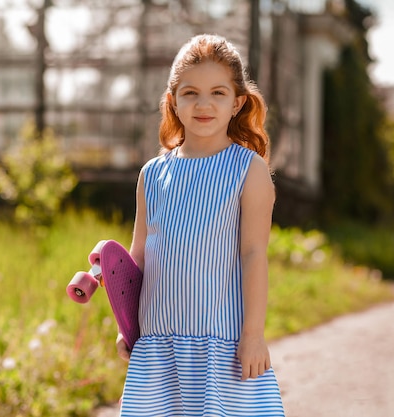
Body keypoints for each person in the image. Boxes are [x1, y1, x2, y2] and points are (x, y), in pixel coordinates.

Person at [116, 34, 285, 416]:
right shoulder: (153, 174)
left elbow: (255, 254)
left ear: (237, 102)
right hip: (158, 345)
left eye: (218, 93)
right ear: (173, 100)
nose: (203, 104)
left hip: (220, 347)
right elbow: (137, 257)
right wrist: (128, 326)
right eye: (190, 93)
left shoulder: (248, 170)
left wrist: (253, 336)